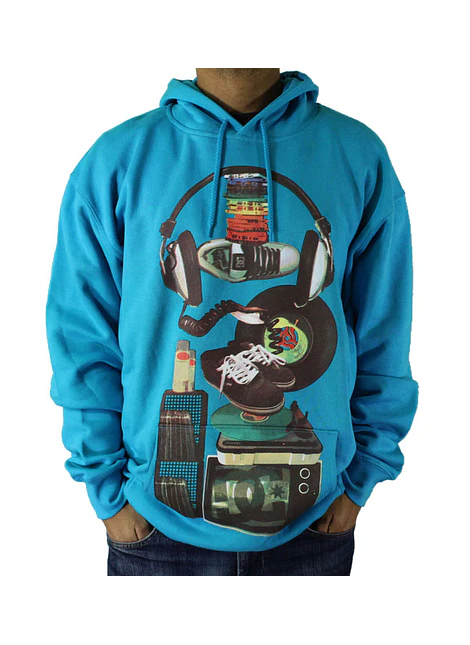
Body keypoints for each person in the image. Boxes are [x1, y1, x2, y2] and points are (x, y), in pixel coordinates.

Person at [45, 64, 419, 577]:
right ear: (177, 263)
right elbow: (81, 338)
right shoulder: (115, 160)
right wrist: (108, 494)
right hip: (155, 530)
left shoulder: (358, 154)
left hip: (315, 526)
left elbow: (385, 332)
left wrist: (361, 480)